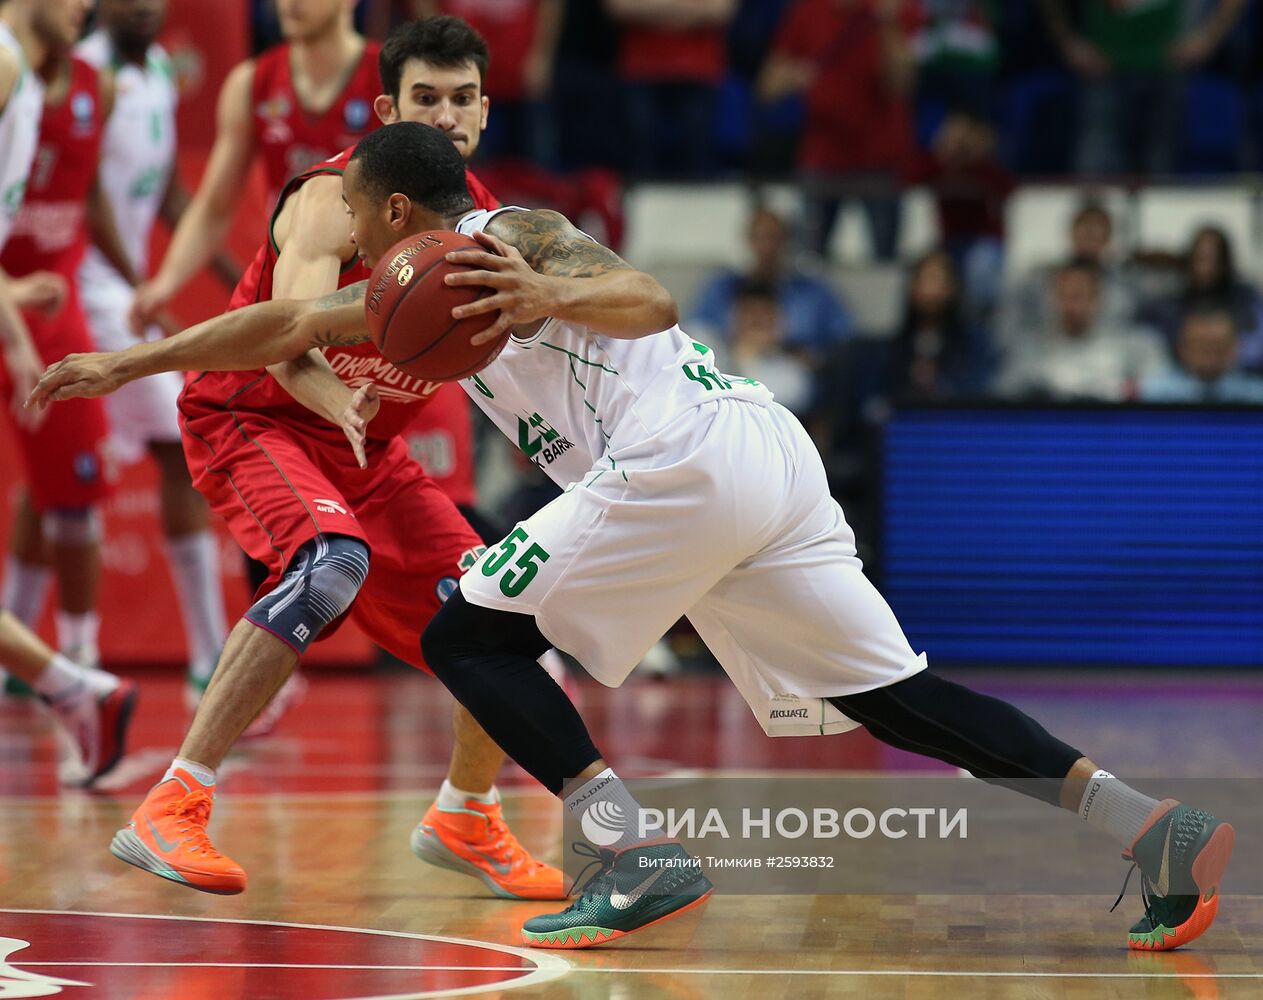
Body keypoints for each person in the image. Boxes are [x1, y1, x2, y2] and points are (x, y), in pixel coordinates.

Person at [32, 121, 1236, 956]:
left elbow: (650, 298)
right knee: (898, 699)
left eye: (351, 205)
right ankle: (1151, 825)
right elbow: (283, 319)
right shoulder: (411, 280)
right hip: (757, 465)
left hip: (685, 456)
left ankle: (627, 852)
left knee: (465, 634)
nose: (341, 220)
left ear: (391, 205)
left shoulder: (521, 235)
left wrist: (548, 294)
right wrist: (121, 363)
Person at [39, 20, 563, 904]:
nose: (445, 115)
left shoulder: (487, 226)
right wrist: (146, 364)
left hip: (367, 449)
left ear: (484, 107)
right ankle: (174, 804)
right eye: (424, 98)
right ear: (387, 108)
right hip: (252, 416)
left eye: (462, 97)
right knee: (331, 564)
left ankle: (467, 812)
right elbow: (286, 330)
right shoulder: (335, 200)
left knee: (500, 597)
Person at [73, 0, 229, 702]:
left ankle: (24, 651)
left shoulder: (161, 66)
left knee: (58, 470)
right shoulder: (86, 72)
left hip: (123, 283)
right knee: (177, 443)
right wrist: (140, 286)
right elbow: (79, 192)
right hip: (89, 282)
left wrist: (229, 269)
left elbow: (166, 187)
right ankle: (210, 662)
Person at [0, 0, 137, 787]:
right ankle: (74, 684)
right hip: (23, 302)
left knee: (71, 493)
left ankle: (74, 678)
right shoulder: (12, 65)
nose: (88, 5)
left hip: (36, 307)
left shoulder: (44, 74)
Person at [758, 0, 919, 260]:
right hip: (823, 158)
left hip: (880, 159)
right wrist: (791, 75)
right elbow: (767, 87)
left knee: (885, 263)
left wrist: (889, 26)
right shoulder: (807, 11)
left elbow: (902, 85)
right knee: (809, 260)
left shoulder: (894, 10)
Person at [1040, 0, 1247, 176]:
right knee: (1095, 174)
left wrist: (1209, 37)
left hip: (1168, 66)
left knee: (1159, 175)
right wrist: (1066, 40)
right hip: (1102, 69)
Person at [689, 205, 852, 365]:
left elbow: (844, 336)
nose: (766, 246)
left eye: (773, 237)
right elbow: (696, 331)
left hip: (790, 368)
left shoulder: (811, 292)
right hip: (731, 365)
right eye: (760, 237)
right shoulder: (723, 286)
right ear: (748, 240)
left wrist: (810, 355)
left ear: (786, 242)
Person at [995, 258, 1168, 401]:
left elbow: (1169, 389)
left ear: (1098, 299)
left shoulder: (1133, 345)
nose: (1072, 306)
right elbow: (1004, 394)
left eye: (1079, 296)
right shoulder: (1030, 348)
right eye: (1064, 295)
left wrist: (1130, 389)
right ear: (1052, 298)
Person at [1141, 224, 1263, 373]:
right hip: (1181, 379)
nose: (1206, 268)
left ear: (1225, 263)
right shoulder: (1170, 304)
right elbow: (1148, 341)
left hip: (1236, 378)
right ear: (1190, 259)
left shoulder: (1245, 299)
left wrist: (1226, 358)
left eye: (1214, 259)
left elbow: (1256, 347)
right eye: (1200, 259)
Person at [1140, 303, 1263, 403]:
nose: (1210, 355)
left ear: (1235, 346)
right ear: (1181, 347)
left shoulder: (1257, 397)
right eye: (1201, 346)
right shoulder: (1154, 396)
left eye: (1218, 346)